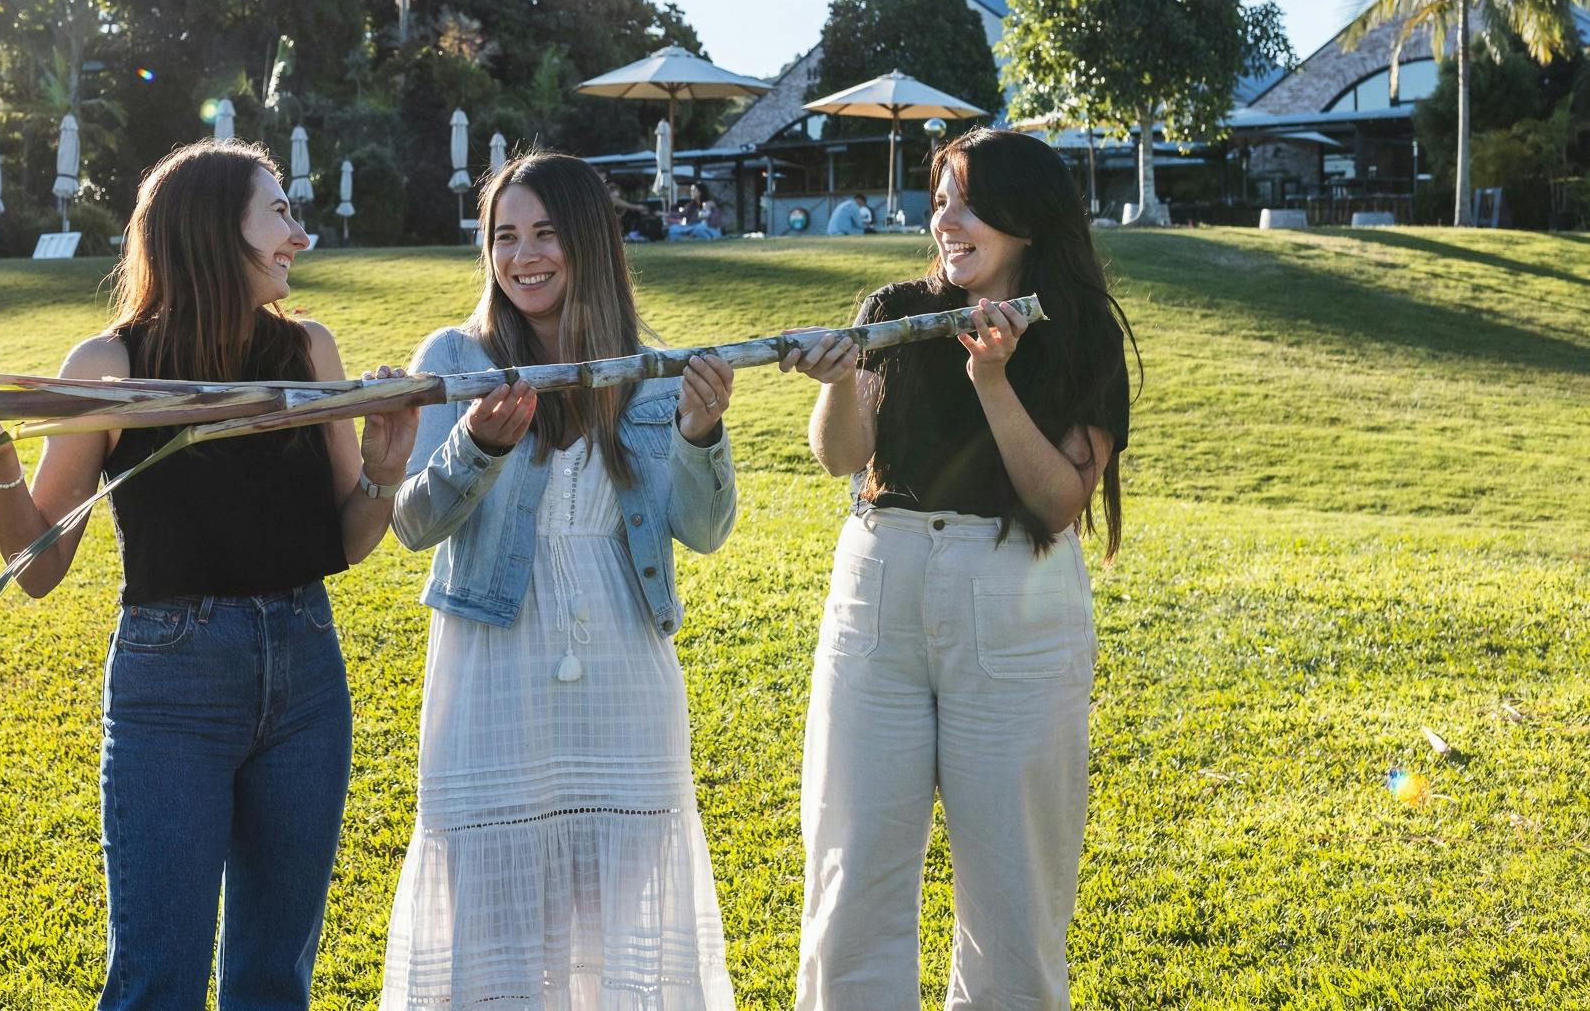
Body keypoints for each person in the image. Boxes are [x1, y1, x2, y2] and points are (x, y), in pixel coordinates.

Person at [0, 140, 417, 1010]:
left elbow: (351, 537)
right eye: (281, 211)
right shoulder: (109, 367)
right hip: (171, 686)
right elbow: (40, 566)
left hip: (307, 671)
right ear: (218, 228)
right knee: (157, 982)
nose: (299, 233)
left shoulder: (310, 352)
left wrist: (383, 466)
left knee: (272, 978)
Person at [779, 128, 1134, 1011]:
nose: (947, 219)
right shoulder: (896, 306)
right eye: (940, 200)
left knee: (1014, 902)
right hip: (879, 584)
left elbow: (1056, 502)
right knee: (849, 878)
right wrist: (837, 377)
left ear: (1027, 216)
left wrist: (994, 381)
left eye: (968, 200)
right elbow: (838, 454)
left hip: (1014, 596)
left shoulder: (1081, 331)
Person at [379, 151, 741, 1010]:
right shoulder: (455, 357)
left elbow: (706, 528)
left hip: (622, 681)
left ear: (588, 243)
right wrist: (480, 446)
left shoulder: (651, 372)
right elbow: (412, 521)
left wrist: (701, 431)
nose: (522, 256)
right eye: (504, 236)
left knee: (613, 936)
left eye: (544, 233)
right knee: (492, 930)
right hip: (490, 676)